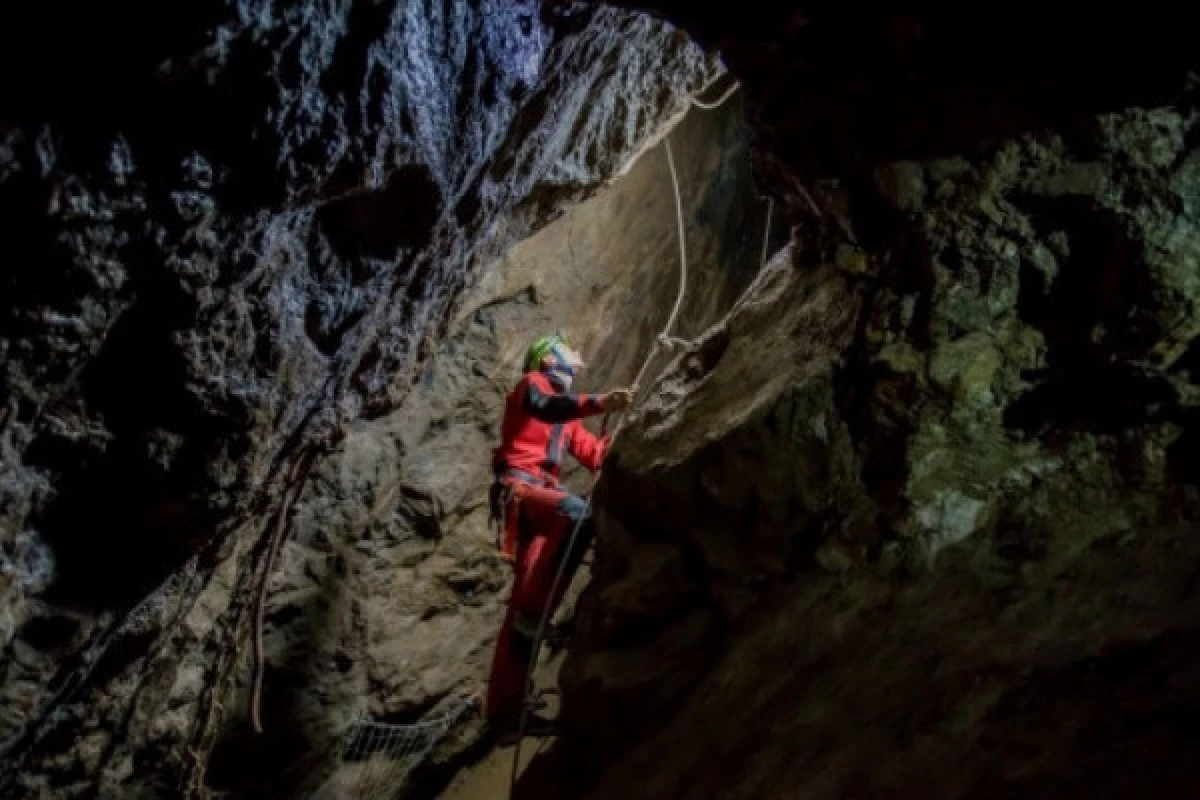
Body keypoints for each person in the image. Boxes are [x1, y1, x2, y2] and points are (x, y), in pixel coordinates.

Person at [484, 333, 634, 734]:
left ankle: (505, 712)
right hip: (524, 490)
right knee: (577, 513)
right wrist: (600, 401)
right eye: (571, 350)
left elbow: (595, 455)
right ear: (548, 359)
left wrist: (630, 427)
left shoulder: (568, 421)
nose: (580, 357)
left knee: (524, 611)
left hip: (540, 501)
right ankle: (540, 614)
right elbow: (545, 408)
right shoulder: (532, 385)